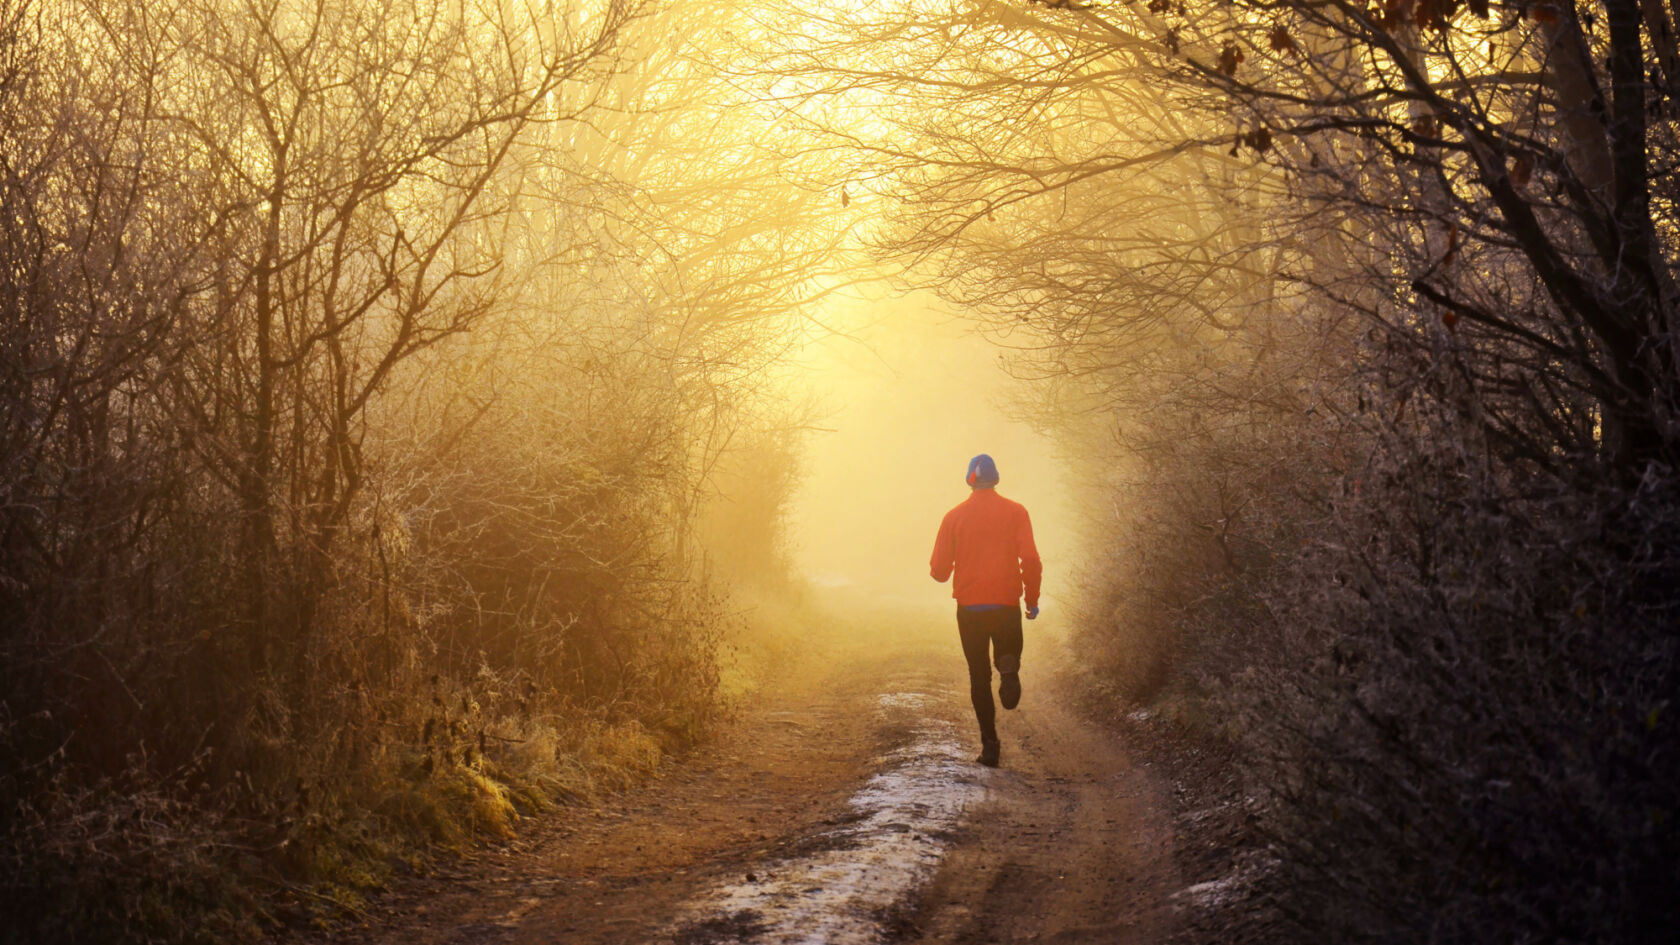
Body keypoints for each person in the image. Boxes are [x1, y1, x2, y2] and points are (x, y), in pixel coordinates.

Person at [929, 453, 1042, 767]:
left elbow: (939, 571)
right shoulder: (1017, 512)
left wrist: (943, 568)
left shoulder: (954, 517)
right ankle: (1008, 665)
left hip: (970, 608)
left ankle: (990, 746)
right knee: (1007, 651)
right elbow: (1031, 560)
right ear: (996, 479)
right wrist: (1031, 599)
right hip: (1006, 604)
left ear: (970, 479)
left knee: (978, 678)